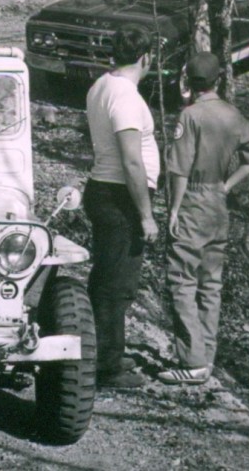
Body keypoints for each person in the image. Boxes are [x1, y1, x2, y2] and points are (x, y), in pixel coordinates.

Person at [160, 52, 249, 385]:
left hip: (192, 198)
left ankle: (192, 361)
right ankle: (205, 356)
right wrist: (227, 186)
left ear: (189, 81)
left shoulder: (190, 116)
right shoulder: (232, 114)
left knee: (182, 279)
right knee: (210, 283)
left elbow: (179, 169)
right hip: (218, 201)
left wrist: (174, 209)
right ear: (219, 79)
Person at [83, 24, 160, 389]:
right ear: (147, 57)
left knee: (106, 277)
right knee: (117, 284)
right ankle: (106, 367)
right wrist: (146, 215)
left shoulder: (102, 85)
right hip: (120, 196)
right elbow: (132, 162)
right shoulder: (126, 96)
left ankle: (106, 350)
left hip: (105, 189)